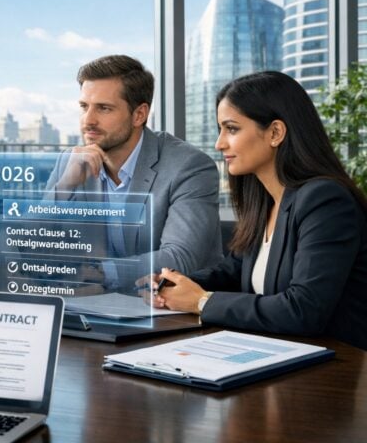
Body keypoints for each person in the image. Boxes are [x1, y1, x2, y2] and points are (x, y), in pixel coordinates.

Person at [151, 71, 367, 350]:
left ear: (275, 132)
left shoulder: (325, 200)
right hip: (274, 357)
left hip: (332, 373)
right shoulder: (265, 201)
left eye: (232, 129)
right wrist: (171, 283)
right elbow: (234, 271)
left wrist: (202, 301)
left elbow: (304, 310)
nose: (219, 144)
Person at [46, 55, 222, 288]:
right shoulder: (70, 162)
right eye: (84, 107)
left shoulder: (189, 167)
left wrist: (97, 273)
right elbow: (30, 244)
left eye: (104, 108)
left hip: (173, 310)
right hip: (94, 304)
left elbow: (180, 258)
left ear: (139, 114)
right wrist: (64, 187)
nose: (88, 120)